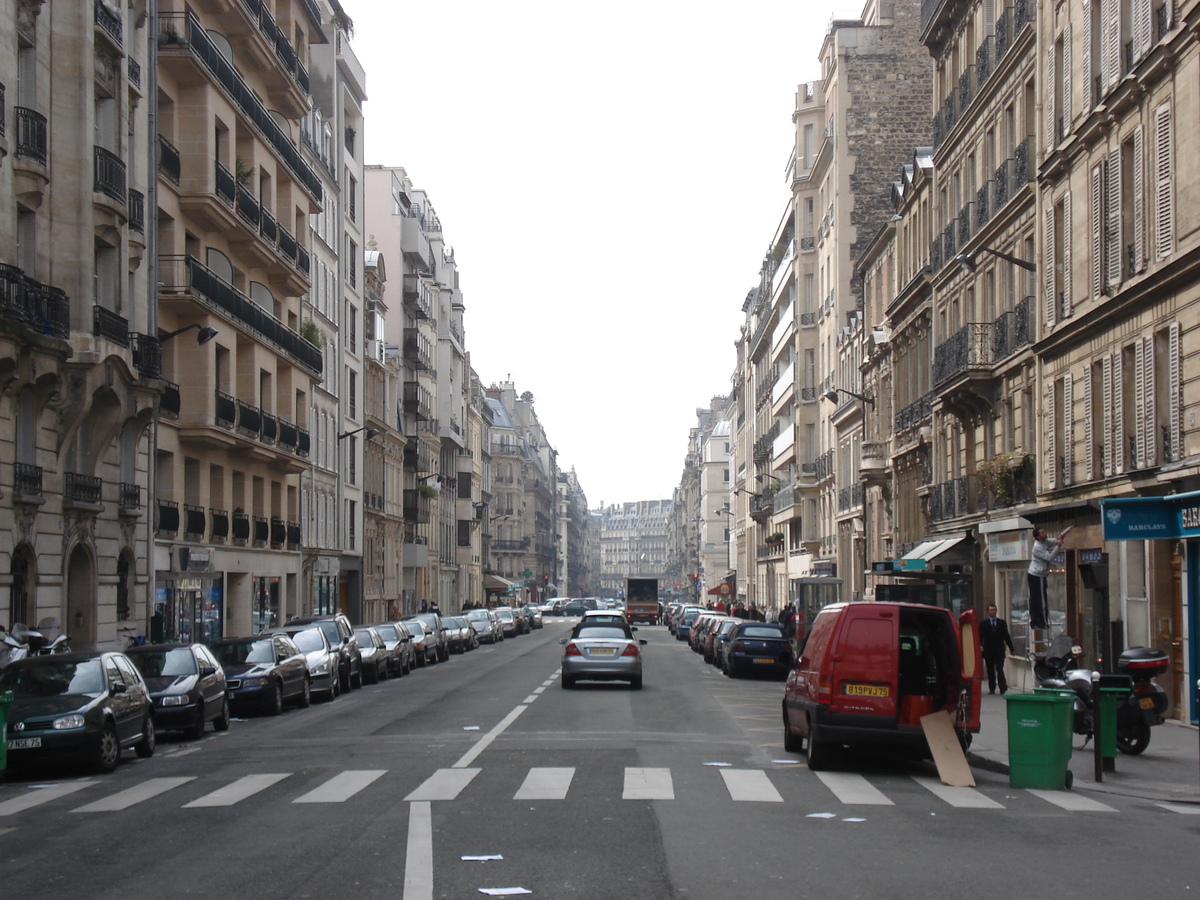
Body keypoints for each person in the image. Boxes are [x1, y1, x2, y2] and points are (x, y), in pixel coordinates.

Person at [1027, 526, 1070, 629]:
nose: (1045, 533)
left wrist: (1063, 535)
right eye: (1042, 533)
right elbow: (1049, 557)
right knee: (1040, 599)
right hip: (1037, 575)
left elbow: (1055, 540)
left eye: (1044, 531)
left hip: (1037, 574)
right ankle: (1042, 622)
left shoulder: (1045, 542)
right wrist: (1058, 547)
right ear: (1038, 536)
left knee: (1035, 599)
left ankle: (1035, 621)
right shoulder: (1037, 547)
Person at [979, 604, 1015, 694]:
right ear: (988, 612)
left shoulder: (1002, 623)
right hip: (988, 650)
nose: (993, 611)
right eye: (991, 610)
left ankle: (1003, 687)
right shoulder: (983, 624)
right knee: (990, 670)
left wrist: (1011, 648)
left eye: (995, 610)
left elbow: (1006, 636)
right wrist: (979, 646)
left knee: (1000, 668)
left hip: (999, 650)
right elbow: (979, 637)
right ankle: (992, 688)